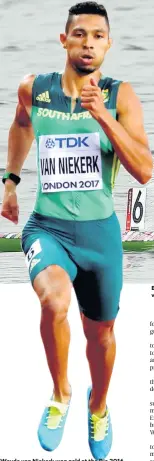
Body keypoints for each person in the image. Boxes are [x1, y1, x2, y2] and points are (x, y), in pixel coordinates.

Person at [1, 1, 153, 458]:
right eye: (80, 34)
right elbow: (21, 125)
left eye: (98, 36)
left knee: (101, 335)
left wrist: (103, 116)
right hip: (48, 227)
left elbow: (145, 170)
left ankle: (99, 405)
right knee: (54, 299)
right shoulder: (35, 88)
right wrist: (9, 182)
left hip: (100, 236)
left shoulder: (119, 94)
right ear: (63, 39)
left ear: (107, 44)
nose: (88, 43)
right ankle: (61, 394)